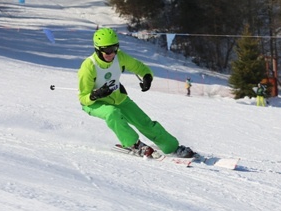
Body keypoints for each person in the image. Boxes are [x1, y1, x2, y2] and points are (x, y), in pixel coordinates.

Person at [77, 28, 195, 158]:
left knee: (144, 123)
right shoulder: (88, 67)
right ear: (97, 49)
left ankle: (172, 147)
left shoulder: (119, 57)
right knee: (112, 113)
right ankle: (133, 144)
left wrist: (147, 77)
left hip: (119, 99)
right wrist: (96, 94)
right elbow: (83, 99)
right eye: (107, 50)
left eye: (114, 48)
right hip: (94, 103)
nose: (112, 53)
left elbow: (139, 67)